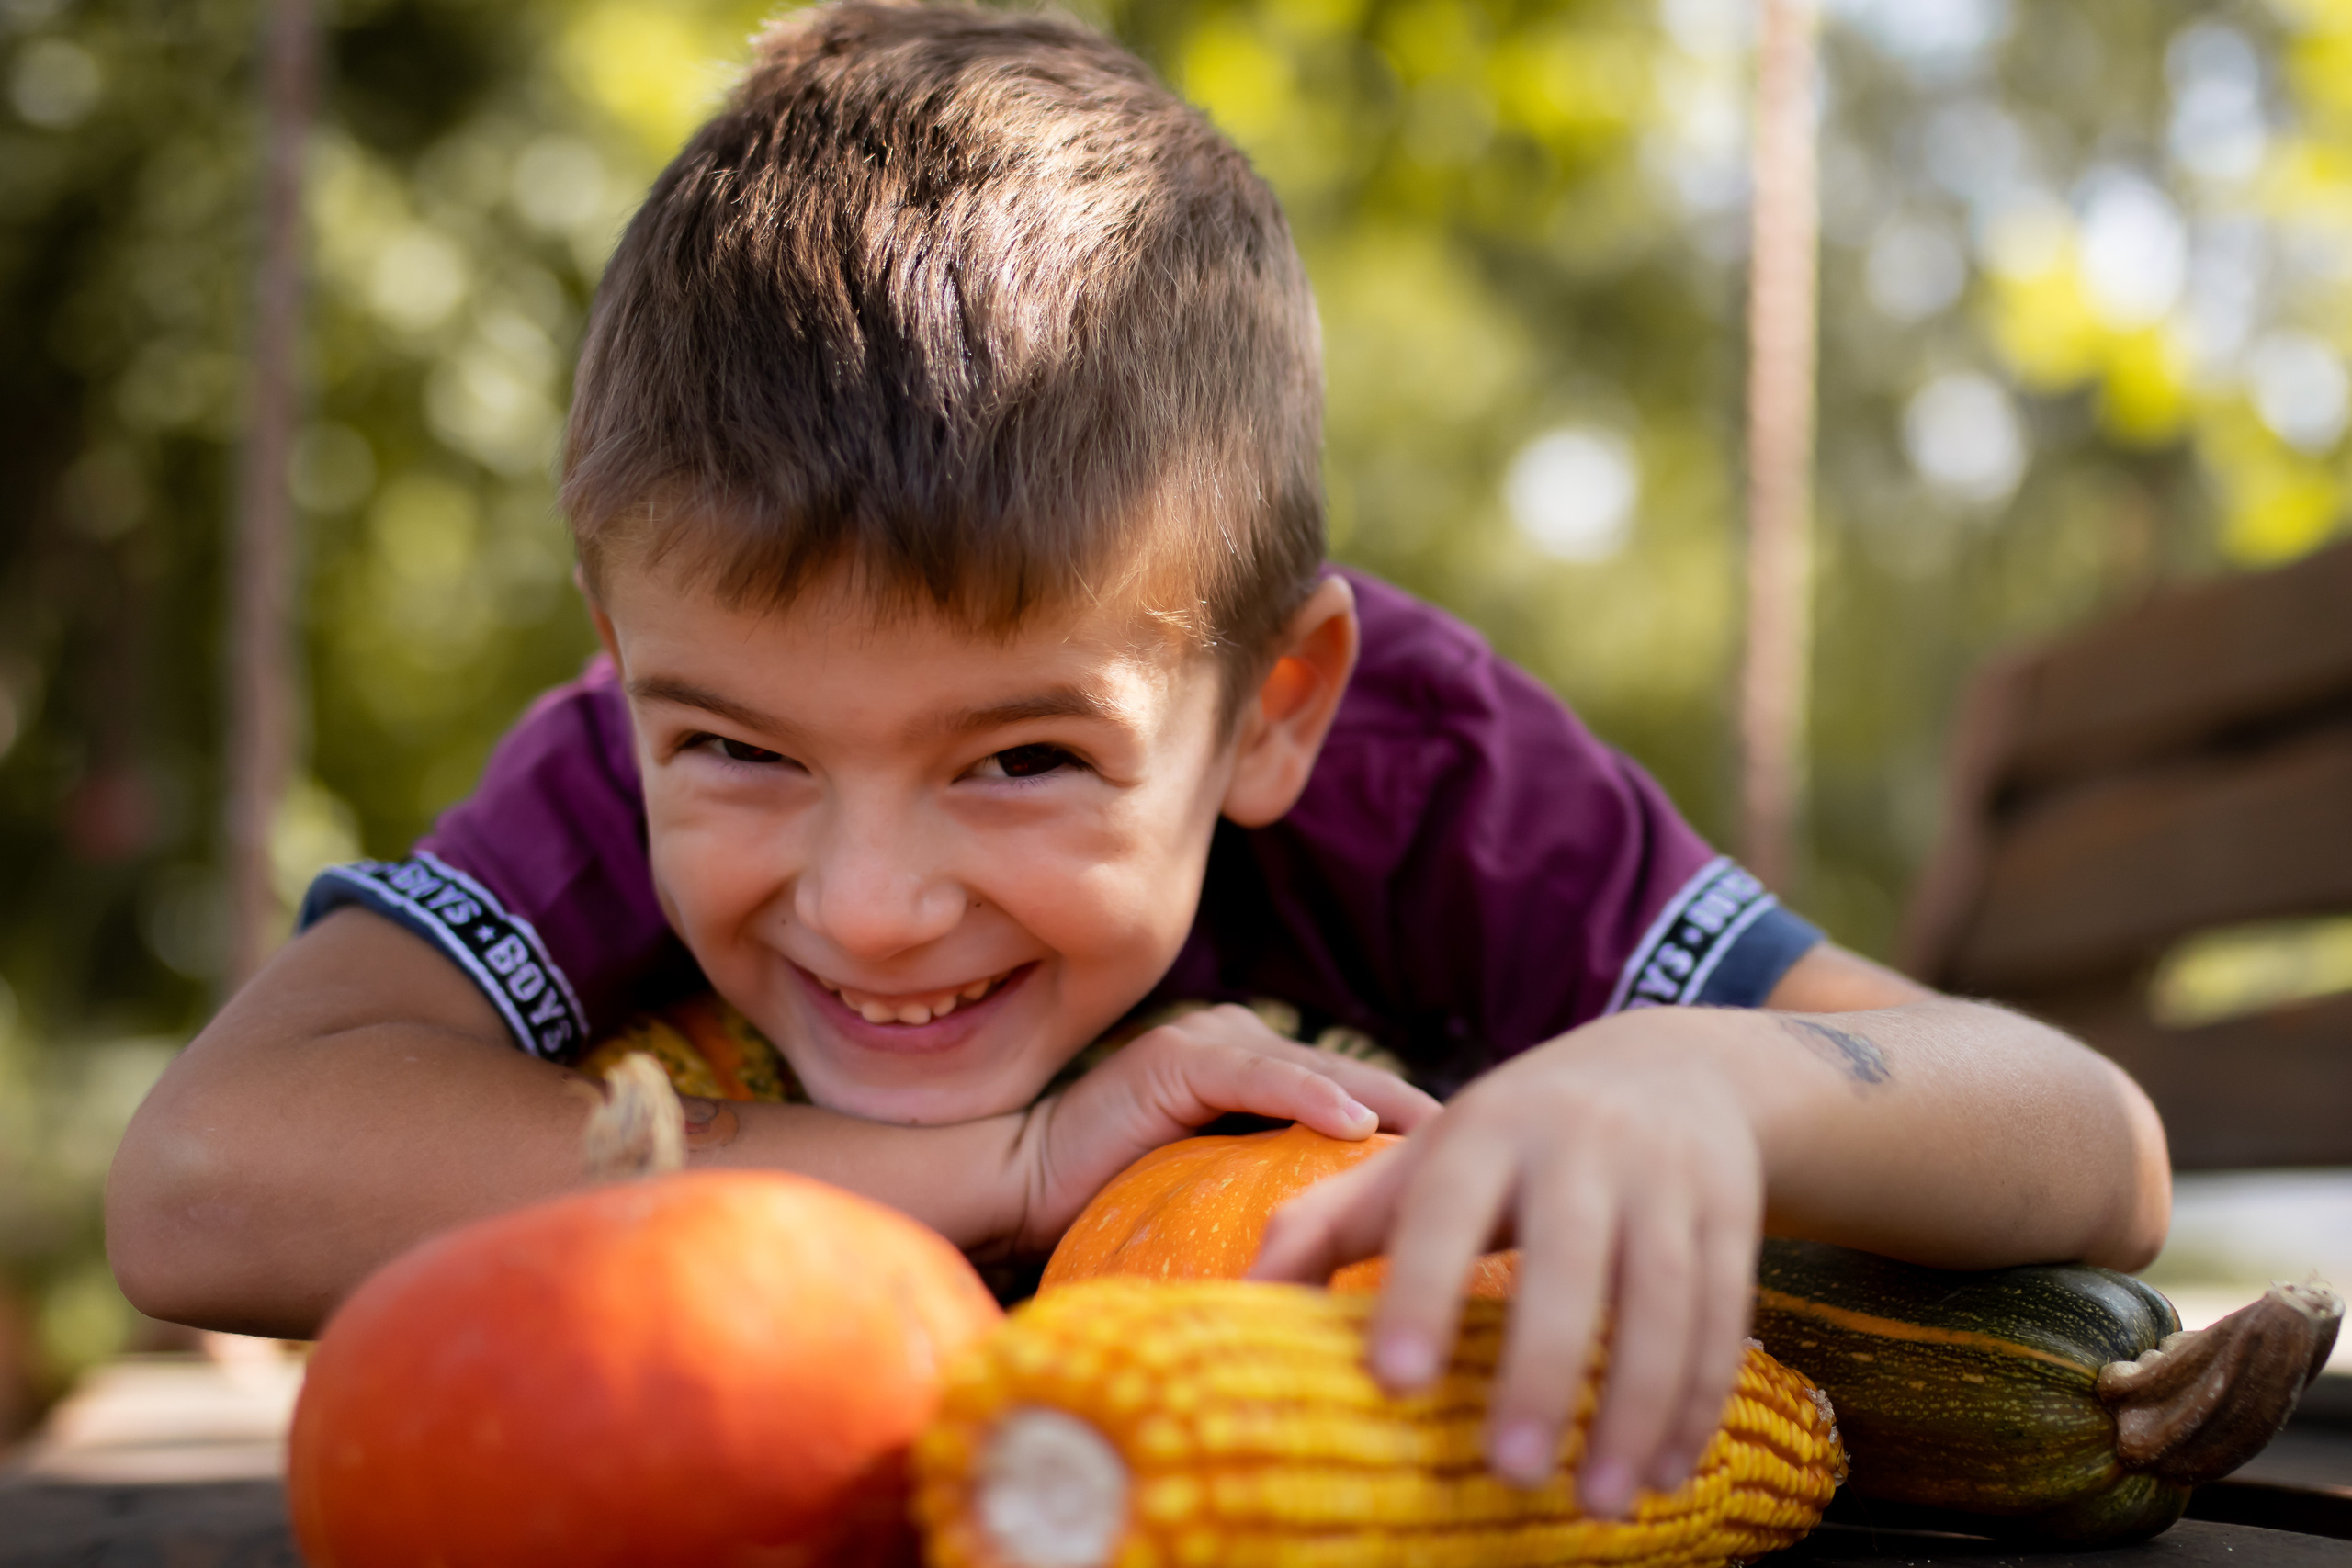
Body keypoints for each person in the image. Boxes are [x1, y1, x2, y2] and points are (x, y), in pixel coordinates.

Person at [107, 1, 2168, 1519]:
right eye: (739, 747)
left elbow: (2089, 1141)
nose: (869, 899)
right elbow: (206, 1183)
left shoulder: (1428, 775)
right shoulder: (610, 767)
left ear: (1273, 702)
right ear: (615, 648)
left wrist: (1708, 1080)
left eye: (1014, 760)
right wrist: (994, 1168)